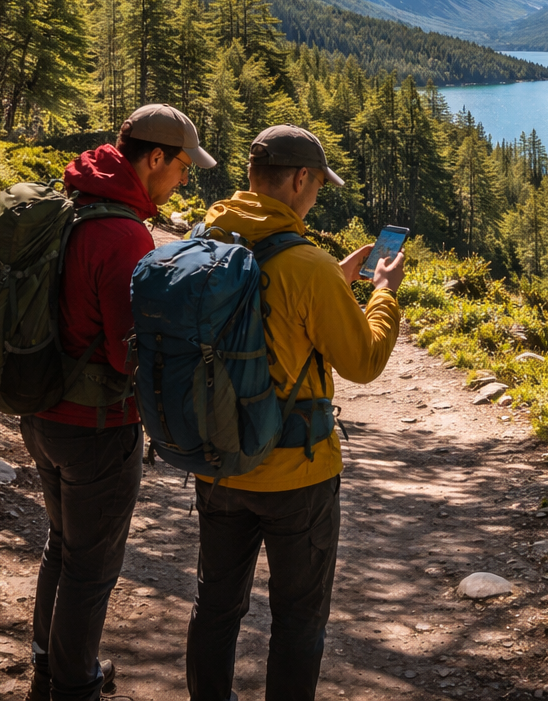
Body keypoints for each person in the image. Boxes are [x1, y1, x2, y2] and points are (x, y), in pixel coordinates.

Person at [185, 124, 404, 701]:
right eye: (316, 185)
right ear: (301, 179)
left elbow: (257, 316)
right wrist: (382, 293)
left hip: (217, 458)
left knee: (215, 606)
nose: (315, 196)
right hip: (296, 472)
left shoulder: (206, 239)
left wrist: (336, 281)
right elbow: (364, 359)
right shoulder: (303, 263)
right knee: (298, 619)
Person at [23, 104, 216, 701]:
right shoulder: (124, 233)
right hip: (96, 426)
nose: (186, 178)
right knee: (93, 565)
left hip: (42, 411)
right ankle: (75, 683)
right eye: (183, 166)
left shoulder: (73, 201)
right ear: (154, 158)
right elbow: (122, 352)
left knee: (64, 545)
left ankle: (49, 662)